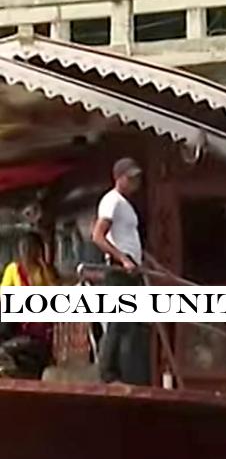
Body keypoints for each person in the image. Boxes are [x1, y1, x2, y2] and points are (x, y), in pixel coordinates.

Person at [92, 158, 153, 385]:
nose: (135, 182)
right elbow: (98, 235)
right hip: (118, 270)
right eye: (130, 177)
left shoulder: (125, 205)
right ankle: (107, 374)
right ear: (118, 178)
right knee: (117, 321)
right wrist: (123, 259)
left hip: (131, 270)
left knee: (130, 324)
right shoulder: (112, 201)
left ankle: (129, 375)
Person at [0, 231, 60, 378]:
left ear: (38, 250)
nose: (25, 251)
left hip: (39, 327)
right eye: (23, 247)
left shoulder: (44, 271)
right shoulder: (13, 269)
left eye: (29, 247)